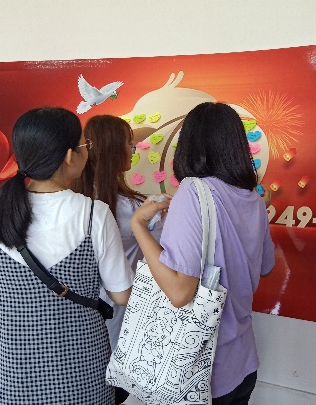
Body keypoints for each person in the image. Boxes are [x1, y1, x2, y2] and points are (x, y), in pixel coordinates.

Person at [0, 107, 133, 405]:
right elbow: (121, 295)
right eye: (84, 145)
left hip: (11, 379)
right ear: (70, 156)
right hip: (84, 375)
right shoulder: (95, 214)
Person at [131, 102, 275, 405]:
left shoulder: (193, 192)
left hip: (201, 371)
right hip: (243, 361)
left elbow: (179, 292)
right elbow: (265, 267)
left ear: (189, 145)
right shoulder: (254, 198)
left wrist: (139, 227)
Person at [71, 114, 164, 405]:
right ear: (113, 151)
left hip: (73, 315)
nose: (134, 150)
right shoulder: (134, 210)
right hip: (116, 314)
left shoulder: (71, 201)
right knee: (109, 388)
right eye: (129, 144)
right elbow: (164, 255)